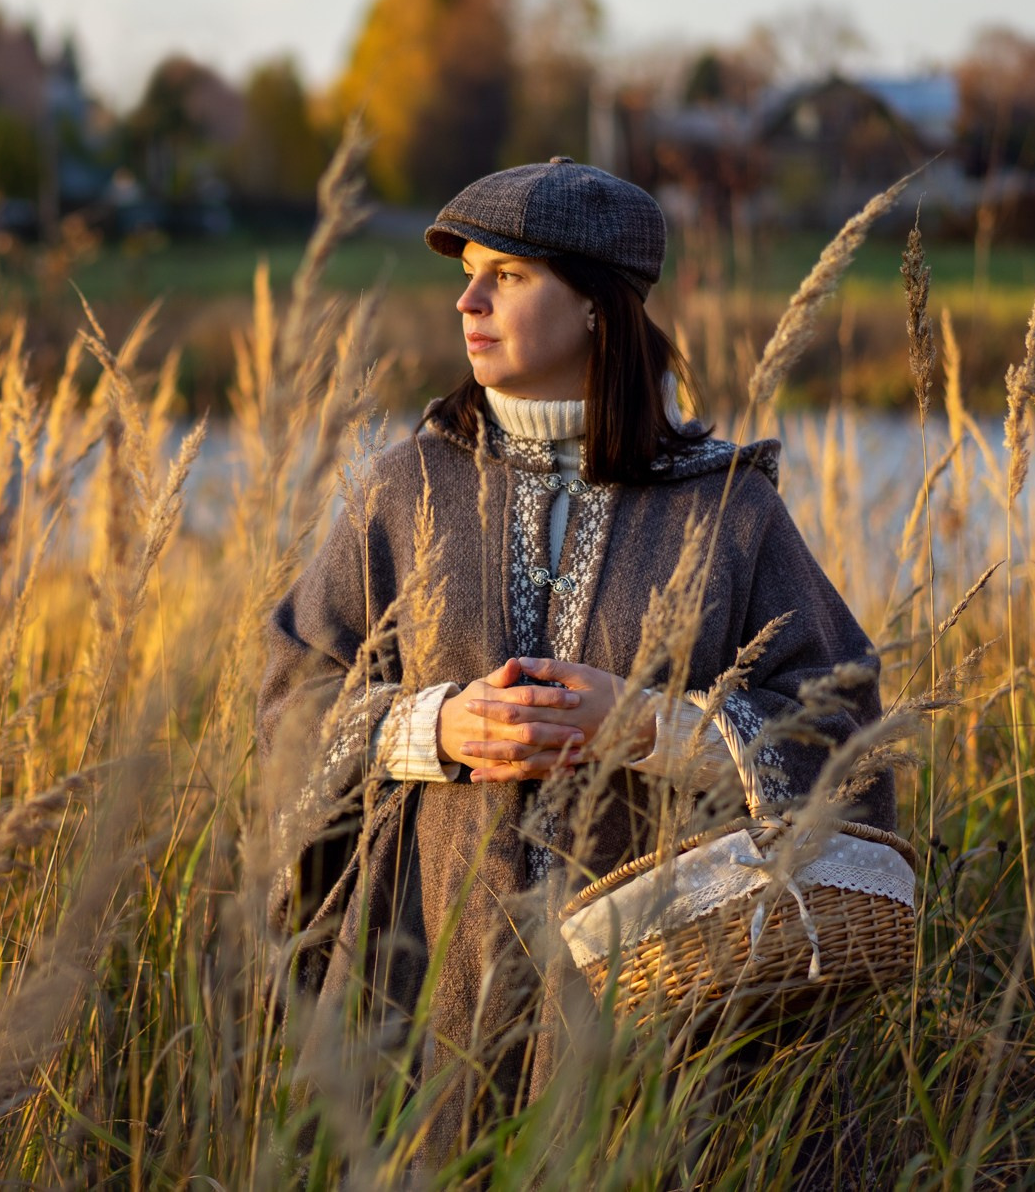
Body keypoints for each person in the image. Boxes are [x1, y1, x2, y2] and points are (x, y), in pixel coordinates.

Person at [256, 157, 894, 1154]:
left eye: (506, 275)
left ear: (598, 306)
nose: (467, 300)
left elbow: (844, 723)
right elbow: (288, 704)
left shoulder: (724, 508)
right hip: (432, 981)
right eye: (465, 273)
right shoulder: (397, 491)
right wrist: (433, 727)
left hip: (665, 1008)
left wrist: (651, 726)